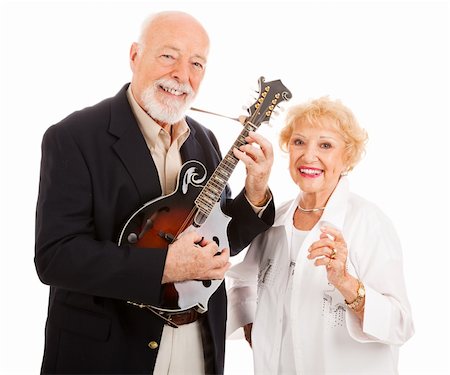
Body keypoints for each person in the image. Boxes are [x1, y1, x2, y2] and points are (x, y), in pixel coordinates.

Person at [35, 10, 275, 375]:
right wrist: (164, 266)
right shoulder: (74, 137)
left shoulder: (205, 142)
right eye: (169, 55)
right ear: (135, 56)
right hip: (109, 354)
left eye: (197, 63)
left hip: (196, 347)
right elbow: (56, 257)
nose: (182, 75)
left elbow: (215, 242)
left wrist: (255, 193)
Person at [226, 97, 414, 374]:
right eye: (299, 142)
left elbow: (401, 325)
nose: (309, 156)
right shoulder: (275, 221)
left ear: (347, 157)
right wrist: (260, 332)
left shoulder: (368, 223)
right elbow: (244, 284)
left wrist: (346, 283)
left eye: (325, 145)